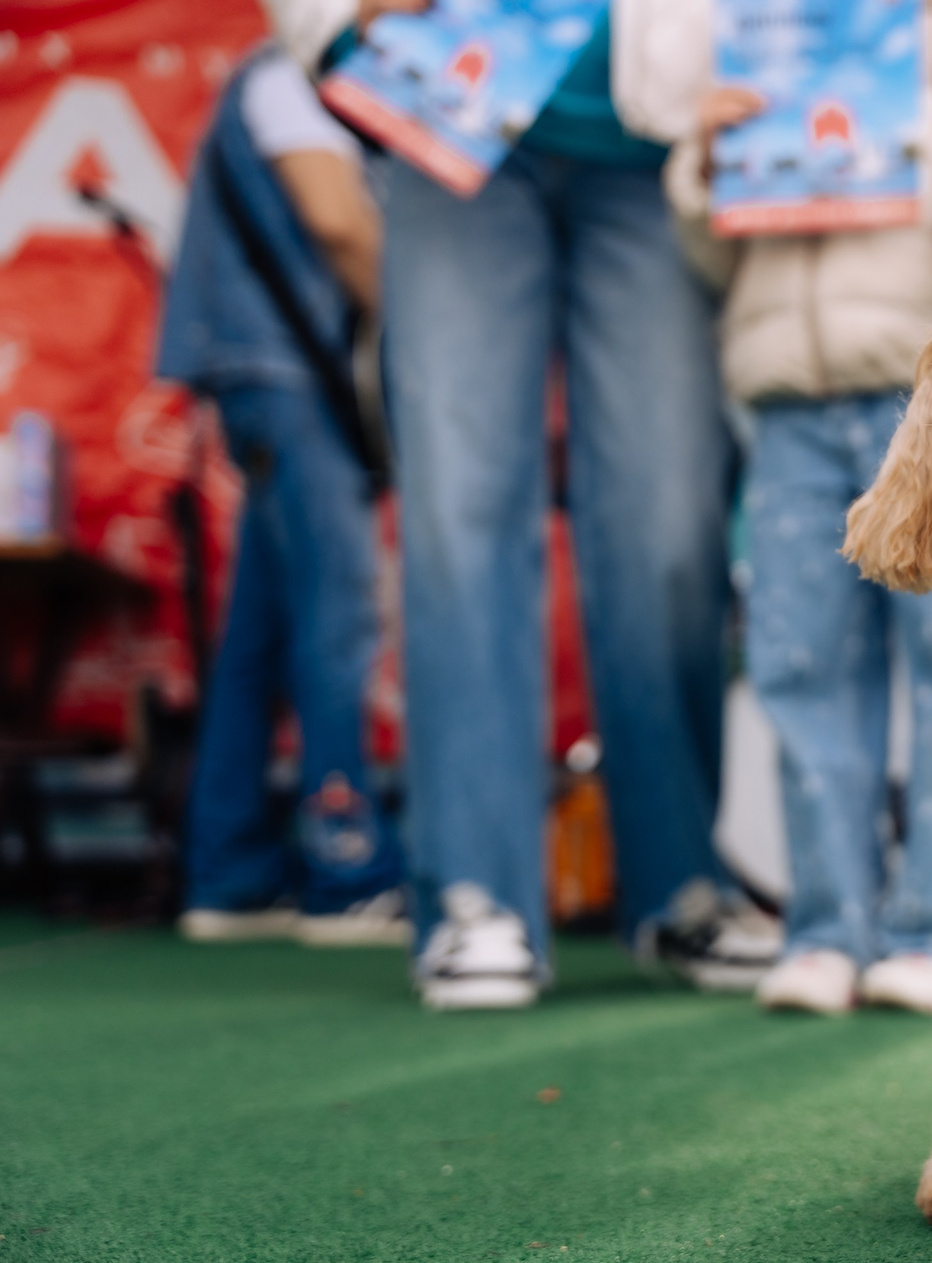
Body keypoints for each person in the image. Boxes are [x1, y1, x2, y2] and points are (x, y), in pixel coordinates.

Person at [267, 0, 773, 1007]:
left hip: (657, 138)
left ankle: (681, 883)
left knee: (671, 527)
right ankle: (476, 892)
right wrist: (334, 19)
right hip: (451, 111)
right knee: (459, 514)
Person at [668, 0, 932, 1016]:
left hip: (921, 394)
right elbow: (711, 259)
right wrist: (704, 165)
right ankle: (826, 926)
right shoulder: (759, 41)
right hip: (784, 401)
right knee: (797, 660)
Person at [158, 47, 408, 948]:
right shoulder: (290, 75)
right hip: (285, 378)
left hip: (283, 376)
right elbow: (338, 222)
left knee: (260, 629)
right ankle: (347, 869)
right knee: (337, 616)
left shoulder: (302, 78)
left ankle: (229, 871)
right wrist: (433, 338)